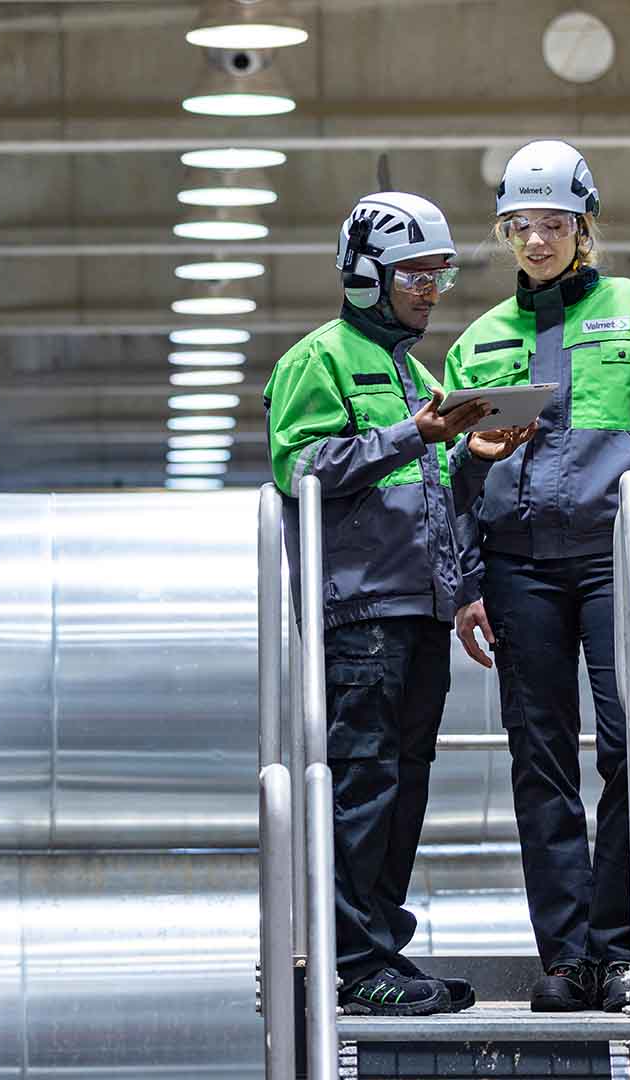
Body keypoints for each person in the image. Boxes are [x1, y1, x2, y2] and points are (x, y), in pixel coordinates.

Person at [441, 140, 630, 1014]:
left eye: (553, 224)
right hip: (519, 569)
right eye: (520, 226)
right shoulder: (481, 341)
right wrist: (466, 583)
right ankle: (568, 959)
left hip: (620, 561)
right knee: (540, 764)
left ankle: (617, 948)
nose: (536, 240)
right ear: (505, 232)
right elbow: (457, 481)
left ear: (585, 226)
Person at [266, 192, 534, 1017]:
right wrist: (416, 434)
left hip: (416, 611)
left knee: (404, 788)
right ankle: (351, 960)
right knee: (363, 786)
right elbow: (303, 468)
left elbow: (432, 495)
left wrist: (475, 458)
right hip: (359, 611)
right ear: (364, 277)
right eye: (414, 273)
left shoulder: (417, 374)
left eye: (438, 274)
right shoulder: (321, 360)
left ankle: (379, 949)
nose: (429, 289)